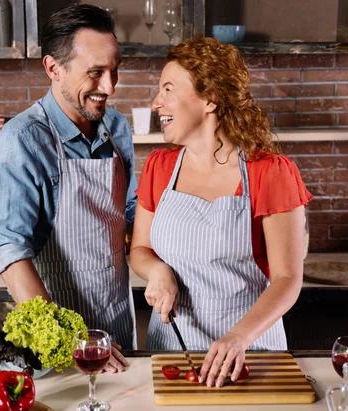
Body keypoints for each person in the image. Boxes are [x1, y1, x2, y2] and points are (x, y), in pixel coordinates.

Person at [129, 37, 313, 388]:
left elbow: (288, 279)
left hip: (253, 351)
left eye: (168, 89)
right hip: (174, 352)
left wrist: (238, 338)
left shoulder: (271, 172)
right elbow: (139, 250)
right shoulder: (159, 167)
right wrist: (157, 271)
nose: (156, 103)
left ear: (210, 99)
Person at [0, 4, 136, 373]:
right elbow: (9, 250)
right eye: (95, 73)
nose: (109, 87)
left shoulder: (117, 129)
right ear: (53, 68)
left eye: (114, 71)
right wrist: (67, 339)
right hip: (54, 347)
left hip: (116, 327)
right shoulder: (20, 141)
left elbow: (130, 215)